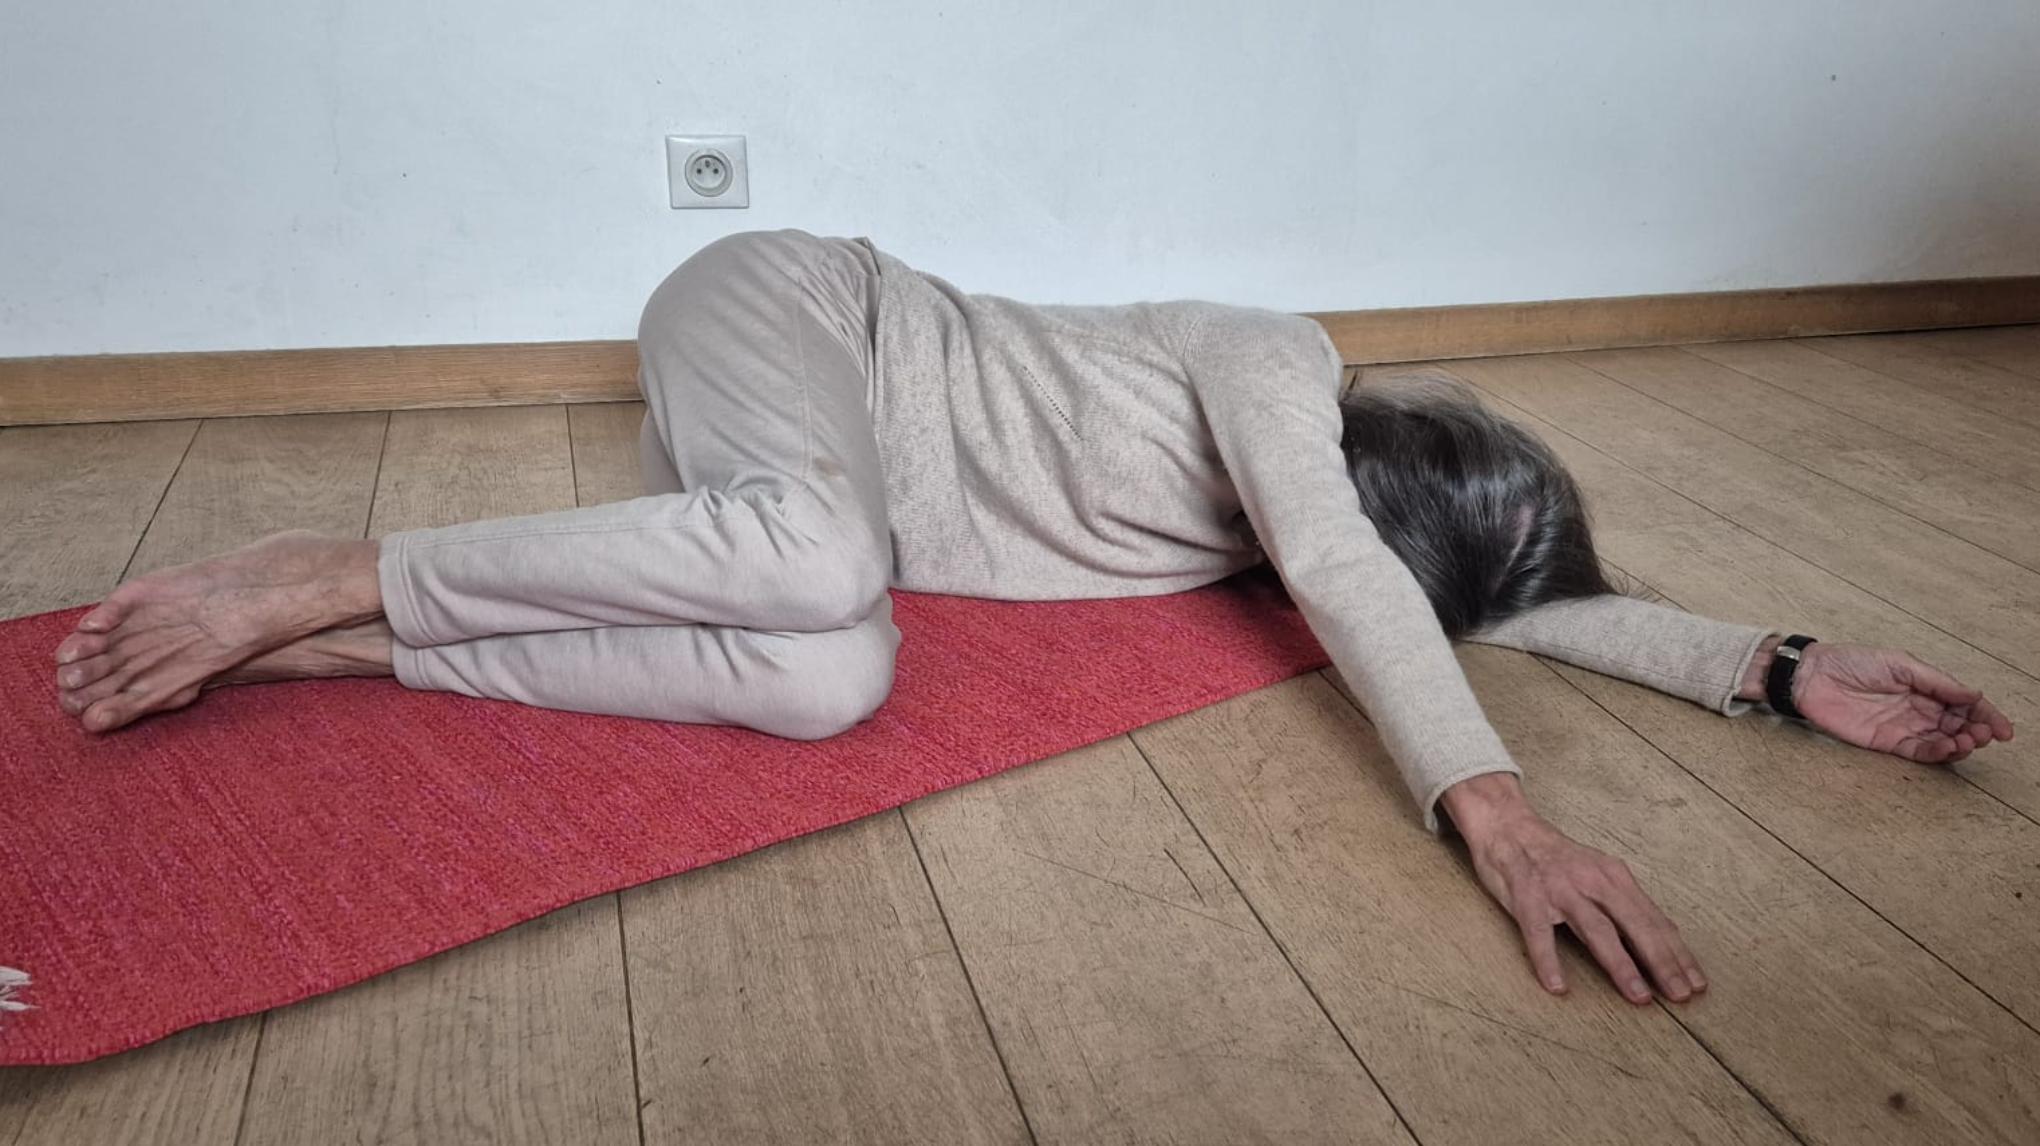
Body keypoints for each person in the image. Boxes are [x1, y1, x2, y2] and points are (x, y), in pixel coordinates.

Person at [48, 229, 2015, 1006]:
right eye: (1369, 540)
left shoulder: (1300, 543)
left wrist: (1772, 667)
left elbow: (1492, 607)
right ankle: (329, 563)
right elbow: (1355, 570)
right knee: (818, 570)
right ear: (1373, 463)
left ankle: (358, 641)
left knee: (834, 674)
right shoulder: (1281, 355)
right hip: (790, 320)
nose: (1342, 566)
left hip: (779, 517)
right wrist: (1501, 818)